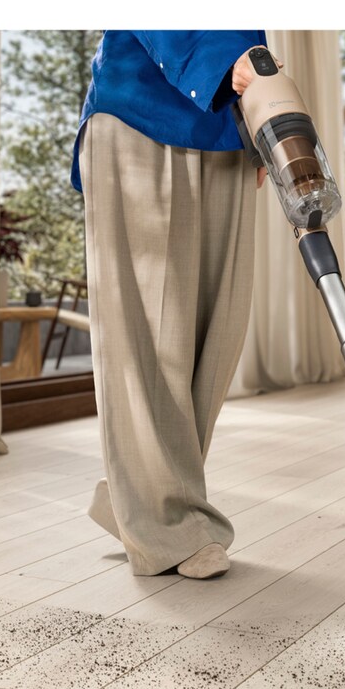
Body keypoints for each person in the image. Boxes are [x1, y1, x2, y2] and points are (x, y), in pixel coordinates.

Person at [69, 30, 276, 579]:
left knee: (216, 328)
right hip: (142, 112)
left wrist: (261, 126)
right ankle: (168, 523)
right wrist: (220, 62)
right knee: (148, 335)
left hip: (226, 122)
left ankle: (136, 497)